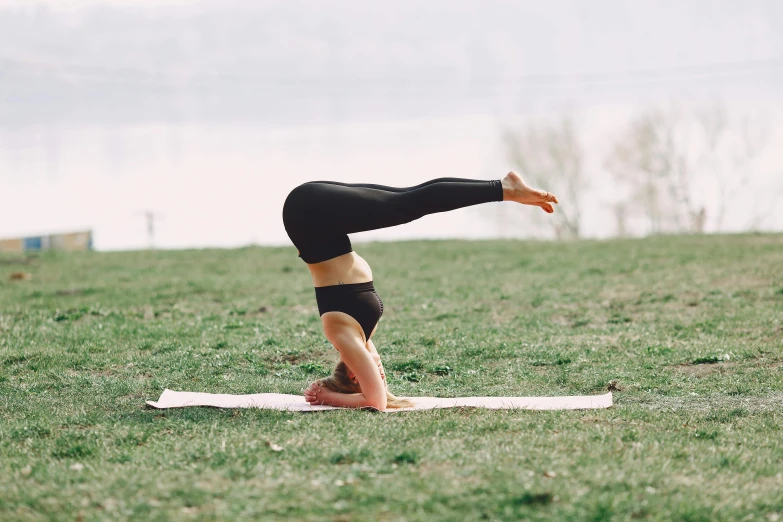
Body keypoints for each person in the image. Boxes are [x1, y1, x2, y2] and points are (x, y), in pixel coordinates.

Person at [282, 171, 558, 411]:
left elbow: (374, 402)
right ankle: (502, 187)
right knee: (411, 198)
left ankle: (505, 189)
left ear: (354, 376)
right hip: (318, 220)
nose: (379, 371)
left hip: (308, 213)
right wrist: (372, 387)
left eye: (372, 373)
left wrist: (328, 396)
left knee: (408, 204)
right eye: (379, 373)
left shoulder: (343, 335)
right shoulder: (360, 336)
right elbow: (381, 395)